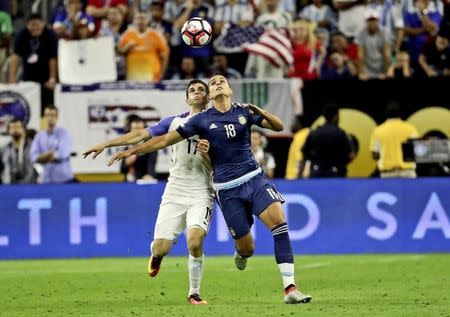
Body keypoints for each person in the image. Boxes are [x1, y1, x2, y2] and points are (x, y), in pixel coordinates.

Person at [108, 74, 312, 304]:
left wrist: (260, 111)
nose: (216, 84)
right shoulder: (201, 120)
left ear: (229, 89)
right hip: (227, 189)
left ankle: (290, 289)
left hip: (255, 179)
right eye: (213, 83)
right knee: (247, 249)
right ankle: (241, 252)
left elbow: (279, 126)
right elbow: (164, 140)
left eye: (221, 81)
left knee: (279, 223)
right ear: (210, 95)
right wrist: (130, 151)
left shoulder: (243, 112)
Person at [83, 79, 213, 305]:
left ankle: (194, 292)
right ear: (186, 97)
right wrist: (107, 144)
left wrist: (209, 154)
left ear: (208, 97)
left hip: (201, 190)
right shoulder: (174, 122)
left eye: (201, 89)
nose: (196, 92)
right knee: (161, 246)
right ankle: (156, 255)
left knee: (194, 241)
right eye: (192, 90)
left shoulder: (215, 123)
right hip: (175, 190)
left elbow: (222, 161)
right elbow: (141, 135)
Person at [299, 103, 354, 178]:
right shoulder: (340, 134)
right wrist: (342, 164)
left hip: (316, 174)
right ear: (336, 116)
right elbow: (351, 155)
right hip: (336, 175)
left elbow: (303, 150)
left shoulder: (314, 133)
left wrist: (312, 160)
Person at [370, 102, 419, 178]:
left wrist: (385, 154)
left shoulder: (378, 130)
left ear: (386, 114)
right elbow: (417, 149)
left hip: (387, 174)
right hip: (408, 173)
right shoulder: (410, 128)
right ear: (400, 114)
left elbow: (374, 154)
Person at [30, 105, 75, 184]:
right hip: (45, 179)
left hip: (63, 178)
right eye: (47, 115)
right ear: (44, 117)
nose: (50, 118)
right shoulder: (39, 136)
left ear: (57, 117)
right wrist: (51, 153)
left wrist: (42, 158)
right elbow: (34, 157)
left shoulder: (64, 133)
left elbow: (62, 154)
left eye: (53, 115)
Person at [120, 116, 158, 182]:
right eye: (134, 129)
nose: (137, 132)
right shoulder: (127, 148)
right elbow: (122, 170)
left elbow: (151, 166)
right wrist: (126, 163)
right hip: (128, 184)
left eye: (139, 129)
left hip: (144, 182)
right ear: (130, 130)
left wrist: (149, 175)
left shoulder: (151, 147)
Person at [1, 118, 36, 184]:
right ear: (8, 130)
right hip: (9, 187)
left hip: (30, 186)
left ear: (23, 129)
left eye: (17, 127)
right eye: (13, 127)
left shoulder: (33, 147)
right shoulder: (4, 150)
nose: (15, 130)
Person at [285, 115, 310, 179]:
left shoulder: (301, 136)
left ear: (300, 124)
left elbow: (299, 157)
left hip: (295, 177)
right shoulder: (301, 134)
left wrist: (298, 176)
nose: (292, 124)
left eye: (294, 122)